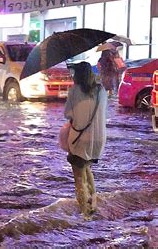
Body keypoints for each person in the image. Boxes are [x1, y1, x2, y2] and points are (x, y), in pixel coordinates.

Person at [64, 62, 107, 219]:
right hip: (98, 139)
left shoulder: (74, 91)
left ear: (78, 75)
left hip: (80, 139)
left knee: (78, 175)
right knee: (87, 169)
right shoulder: (101, 90)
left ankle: (85, 212)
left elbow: (68, 114)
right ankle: (93, 205)